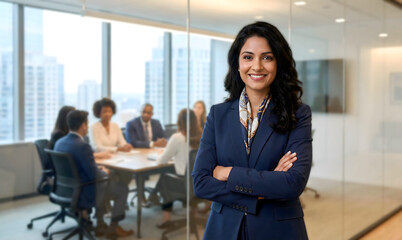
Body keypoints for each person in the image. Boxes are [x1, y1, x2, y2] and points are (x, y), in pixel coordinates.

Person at [192, 21, 312, 240]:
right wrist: (261, 191)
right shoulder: (218, 114)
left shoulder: (298, 113)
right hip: (223, 229)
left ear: (278, 63)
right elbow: (200, 183)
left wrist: (227, 173)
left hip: (277, 230)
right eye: (248, 57)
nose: (257, 66)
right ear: (237, 64)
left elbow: (292, 183)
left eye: (267, 57)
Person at [54, 110, 133, 238]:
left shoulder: (59, 143)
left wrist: (98, 168)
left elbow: (79, 166)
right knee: (122, 189)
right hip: (84, 191)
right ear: (83, 126)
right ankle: (113, 227)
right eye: (87, 123)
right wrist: (104, 171)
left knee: (105, 182)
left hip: (65, 190)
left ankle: (101, 225)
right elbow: (93, 175)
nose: (88, 126)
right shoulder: (82, 145)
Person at [148, 109, 201, 228]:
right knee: (171, 172)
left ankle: (165, 217)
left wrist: (161, 154)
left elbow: (162, 161)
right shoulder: (201, 136)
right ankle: (195, 211)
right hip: (200, 182)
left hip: (185, 184)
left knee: (164, 178)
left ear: (180, 122)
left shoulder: (177, 137)